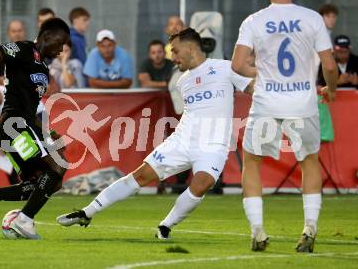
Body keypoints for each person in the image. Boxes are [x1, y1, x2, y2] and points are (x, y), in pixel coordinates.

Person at [56, 28, 254, 239]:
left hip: (214, 145)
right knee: (140, 175)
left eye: (176, 51)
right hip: (182, 140)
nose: (173, 58)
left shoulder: (225, 68)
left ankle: (165, 226)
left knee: (203, 182)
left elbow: (253, 88)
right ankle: (87, 212)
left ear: (190, 48)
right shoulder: (182, 81)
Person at [231, 0, 338, 252]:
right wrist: (331, 89)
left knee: (252, 161)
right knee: (309, 161)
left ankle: (257, 229)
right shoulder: (312, 18)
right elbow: (330, 66)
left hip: (267, 103)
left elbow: (237, 65)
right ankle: (309, 227)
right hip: (303, 103)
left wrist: (261, 73)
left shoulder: (255, 20)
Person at [0, 18, 71, 240]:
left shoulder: (42, 67)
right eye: (59, 43)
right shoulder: (23, 49)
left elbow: (30, 108)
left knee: (48, 182)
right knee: (58, 165)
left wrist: (47, 133)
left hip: (22, 125)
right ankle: (24, 221)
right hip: (14, 125)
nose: (61, 50)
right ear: (47, 36)